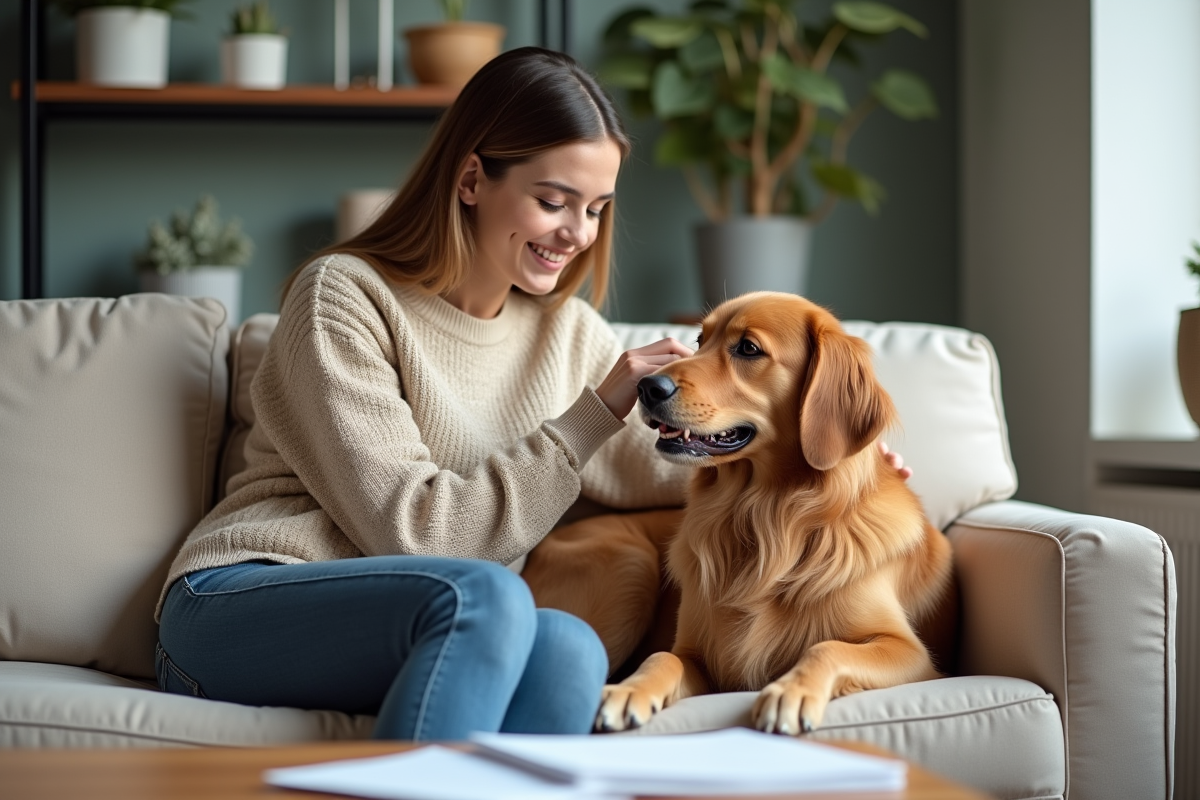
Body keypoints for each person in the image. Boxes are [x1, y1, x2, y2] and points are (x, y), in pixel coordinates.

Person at [154, 46, 914, 741]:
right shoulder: (344, 299)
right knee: (492, 601)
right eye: (554, 201)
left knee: (571, 648)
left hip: (451, 620)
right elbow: (417, 536)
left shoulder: (566, 332)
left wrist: (836, 451)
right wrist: (594, 412)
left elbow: (678, 457)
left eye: (595, 208)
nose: (577, 234)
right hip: (243, 601)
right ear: (473, 179)